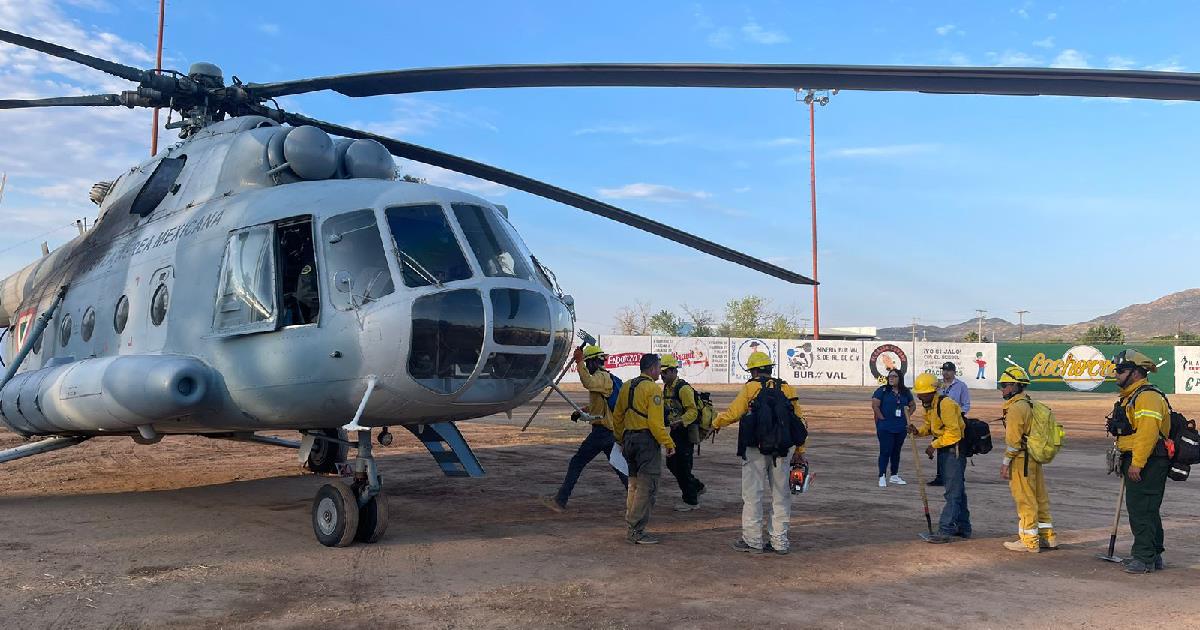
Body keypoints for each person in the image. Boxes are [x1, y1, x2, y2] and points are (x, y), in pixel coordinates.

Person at [712, 351, 808, 555]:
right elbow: (800, 421)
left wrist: (716, 423)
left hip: (755, 449)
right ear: (770, 369)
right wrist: (800, 449)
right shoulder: (786, 387)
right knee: (781, 496)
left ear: (754, 370)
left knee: (752, 495)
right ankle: (780, 542)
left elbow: (733, 413)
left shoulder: (751, 388)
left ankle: (753, 540)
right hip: (782, 449)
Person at [543, 345, 628, 513]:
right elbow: (598, 404)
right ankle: (639, 499)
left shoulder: (601, 377)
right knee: (619, 467)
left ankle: (560, 500)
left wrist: (579, 361)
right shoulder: (604, 379)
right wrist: (581, 411)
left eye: (589, 362)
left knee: (577, 463)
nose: (588, 366)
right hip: (607, 432)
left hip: (602, 432)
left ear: (596, 361)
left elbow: (587, 383)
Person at [1110, 349, 1171, 574]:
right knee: (1148, 509)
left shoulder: (1147, 397)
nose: (1116, 374)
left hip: (1148, 461)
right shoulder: (1135, 396)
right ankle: (1153, 555)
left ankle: (1143, 558)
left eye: (1121, 370)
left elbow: (1147, 433)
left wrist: (1137, 463)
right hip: (1143, 459)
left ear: (1136, 373)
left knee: (1141, 510)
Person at [612, 353, 676, 545]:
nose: (660, 372)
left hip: (629, 440)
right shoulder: (652, 389)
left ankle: (631, 525)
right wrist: (669, 443)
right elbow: (655, 424)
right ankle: (636, 529)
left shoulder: (627, 386)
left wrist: (620, 438)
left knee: (633, 486)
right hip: (646, 443)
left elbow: (617, 416)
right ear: (652, 369)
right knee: (647, 488)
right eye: (659, 368)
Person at [998, 366, 1056, 553]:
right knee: (1040, 497)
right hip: (1033, 457)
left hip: (1021, 459)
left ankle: (1029, 540)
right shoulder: (1029, 403)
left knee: (1025, 499)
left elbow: (1013, 442)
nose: (1002, 389)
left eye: (1005, 385)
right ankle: (1047, 537)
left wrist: (1006, 462)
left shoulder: (1016, 408)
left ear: (1015, 385)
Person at [908, 372, 971, 543]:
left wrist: (933, 445)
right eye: (918, 393)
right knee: (957, 491)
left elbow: (954, 433)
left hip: (954, 450)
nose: (919, 396)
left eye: (922, 392)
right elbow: (931, 427)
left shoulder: (946, 405)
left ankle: (945, 530)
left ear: (932, 391)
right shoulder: (930, 406)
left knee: (953, 493)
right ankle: (963, 528)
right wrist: (918, 432)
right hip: (945, 450)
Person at [660, 354, 705, 511]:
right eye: (661, 372)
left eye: (665, 372)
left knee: (683, 466)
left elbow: (692, 411)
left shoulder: (683, 388)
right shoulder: (667, 387)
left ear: (673, 371)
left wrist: (680, 421)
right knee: (672, 463)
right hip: (675, 431)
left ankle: (691, 501)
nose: (662, 375)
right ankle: (696, 487)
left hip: (686, 432)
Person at [929, 361, 971, 487]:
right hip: (939, 422)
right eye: (944, 370)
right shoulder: (938, 385)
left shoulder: (961, 386)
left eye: (948, 370)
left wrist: (960, 415)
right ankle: (940, 476)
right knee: (940, 448)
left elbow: (966, 404)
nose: (945, 373)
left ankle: (958, 476)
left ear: (954, 372)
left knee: (955, 449)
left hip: (954, 422)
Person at [872, 369, 915, 487]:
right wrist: (882, 419)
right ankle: (882, 476)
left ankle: (894, 475)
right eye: (890, 376)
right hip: (886, 427)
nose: (891, 378)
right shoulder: (883, 390)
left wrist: (907, 417)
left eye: (894, 376)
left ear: (900, 378)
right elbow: (875, 405)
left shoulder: (905, 392)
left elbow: (912, 405)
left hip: (900, 427)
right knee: (885, 451)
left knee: (896, 451)